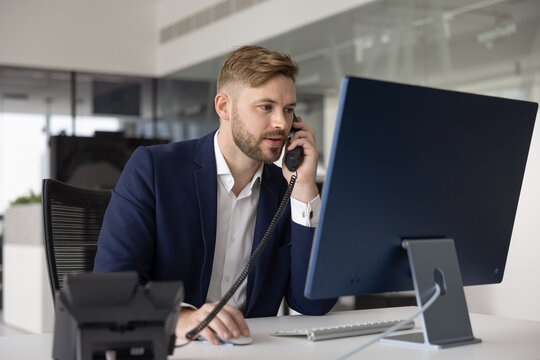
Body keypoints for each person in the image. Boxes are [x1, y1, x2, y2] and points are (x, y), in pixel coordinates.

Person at [93, 45, 336, 345]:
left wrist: (303, 190)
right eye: (266, 107)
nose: (281, 124)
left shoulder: (287, 190)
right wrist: (179, 318)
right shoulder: (154, 170)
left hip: (253, 351)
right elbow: (110, 288)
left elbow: (313, 304)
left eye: (288, 110)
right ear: (224, 107)